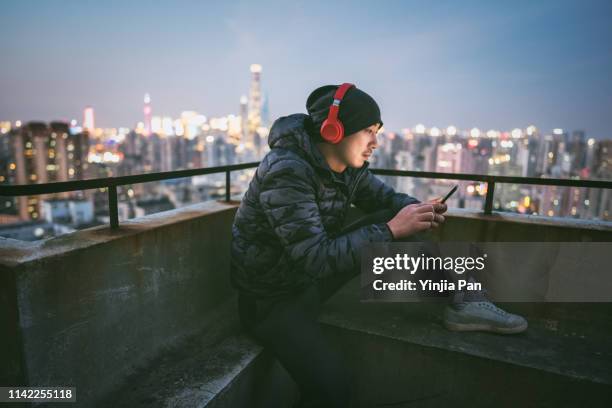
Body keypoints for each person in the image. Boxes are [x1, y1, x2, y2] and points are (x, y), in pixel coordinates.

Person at [230, 83, 527, 407]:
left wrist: (418, 210)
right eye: (368, 131)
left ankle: (463, 302)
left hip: (306, 283)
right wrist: (391, 229)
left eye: (377, 131)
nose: (375, 142)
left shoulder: (347, 169)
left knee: (399, 216)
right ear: (333, 131)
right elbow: (315, 258)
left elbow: (387, 200)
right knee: (335, 390)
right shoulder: (287, 171)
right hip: (272, 303)